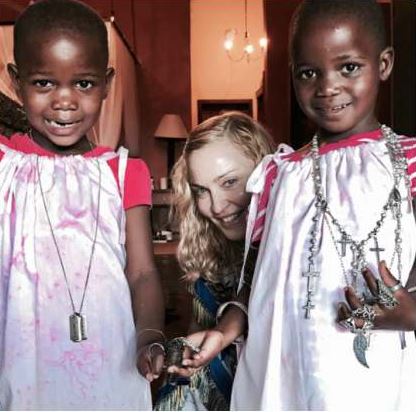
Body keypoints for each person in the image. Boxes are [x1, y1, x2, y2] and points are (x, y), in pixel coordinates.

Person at [172, 1, 416, 410]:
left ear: (384, 64)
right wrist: (224, 332)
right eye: (308, 73)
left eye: (348, 67)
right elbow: (258, 282)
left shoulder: (408, 163)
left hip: (373, 376)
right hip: (284, 373)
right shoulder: (278, 174)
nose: (328, 87)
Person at [0, 0, 165, 409]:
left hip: (109, 357)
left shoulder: (124, 173)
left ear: (106, 83)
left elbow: (142, 272)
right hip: (22, 361)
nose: (65, 101)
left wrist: (149, 334)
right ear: (16, 81)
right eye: (44, 83)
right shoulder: (4, 166)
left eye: (84, 84)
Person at [154, 112, 274, 410]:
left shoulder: (295, 253)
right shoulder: (209, 251)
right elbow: (198, 332)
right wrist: (186, 359)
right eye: (201, 191)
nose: (217, 207)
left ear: (266, 172)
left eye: (230, 182)